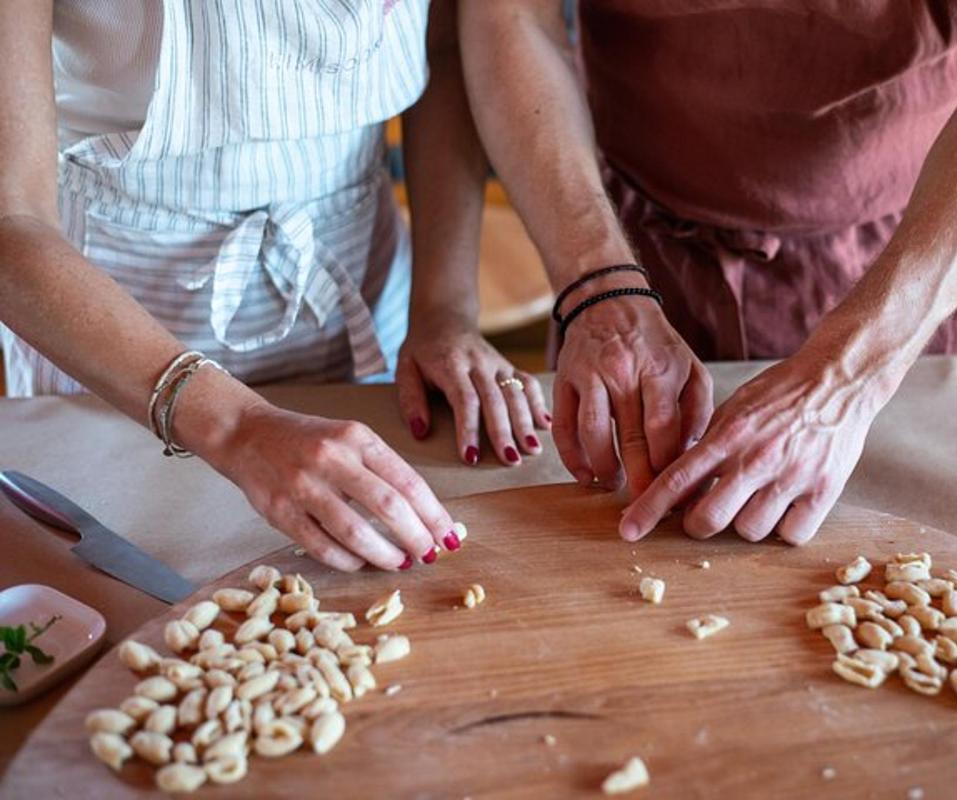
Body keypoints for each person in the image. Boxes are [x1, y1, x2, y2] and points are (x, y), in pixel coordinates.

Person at [460, 1, 957, 543]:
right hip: (630, 254)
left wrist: (849, 374)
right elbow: (512, 15)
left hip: (917, 270)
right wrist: (599, 285)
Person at [0, 1, 547, 572]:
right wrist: (237, 425)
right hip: (108, 341)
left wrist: (444, 308)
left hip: (362, 296)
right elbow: (12, 224)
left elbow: (444, 48)